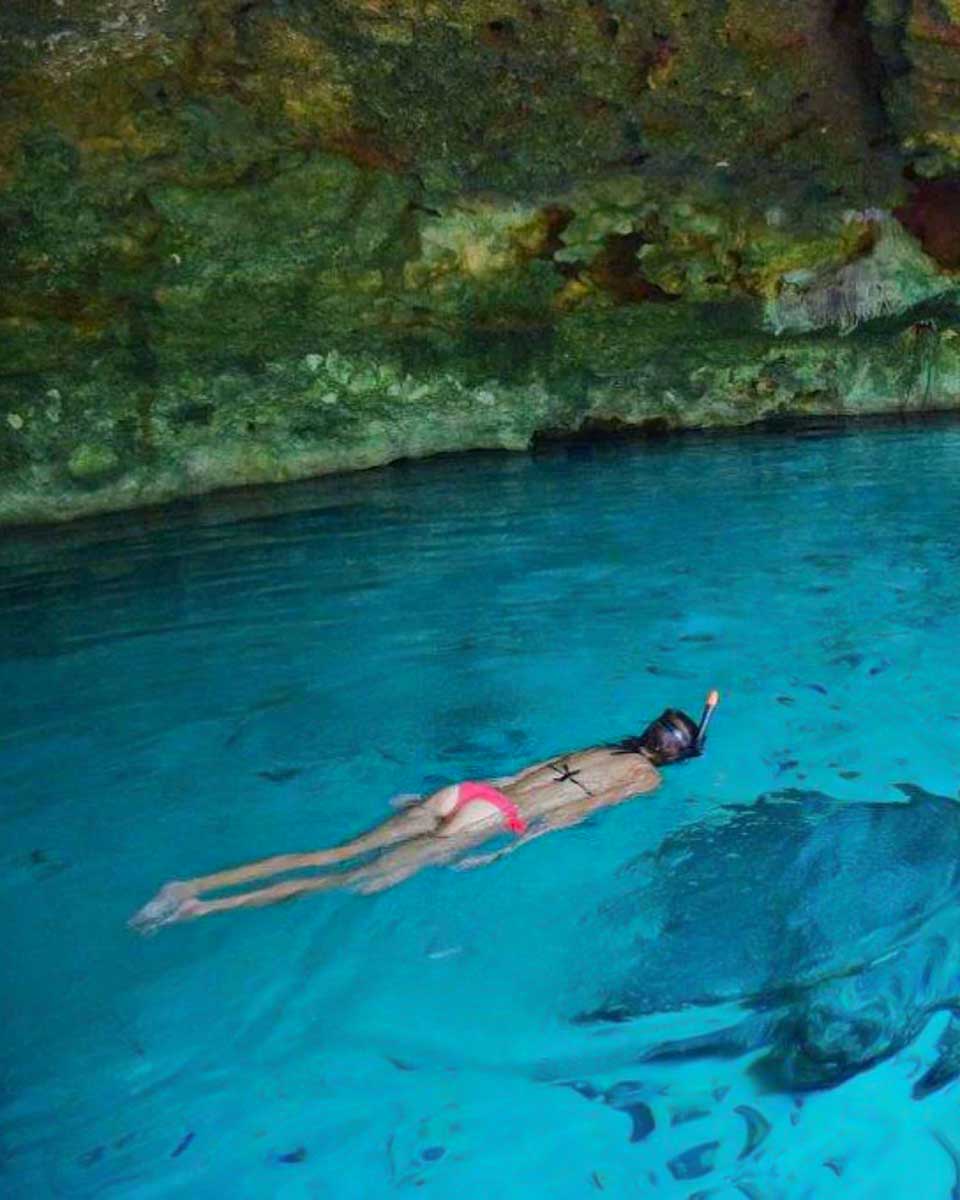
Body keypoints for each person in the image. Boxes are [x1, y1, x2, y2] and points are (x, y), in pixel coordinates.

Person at [129, 690, 719, 932]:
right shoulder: (641, 778)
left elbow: (514, 776)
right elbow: (569, 814)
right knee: (347, 882)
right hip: (492, 822)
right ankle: (203, 908)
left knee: (331, 852)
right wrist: (508, 851)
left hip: (468, 795)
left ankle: (189, 883)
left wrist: (425, 804)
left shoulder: (602, 746)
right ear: (675, 758)